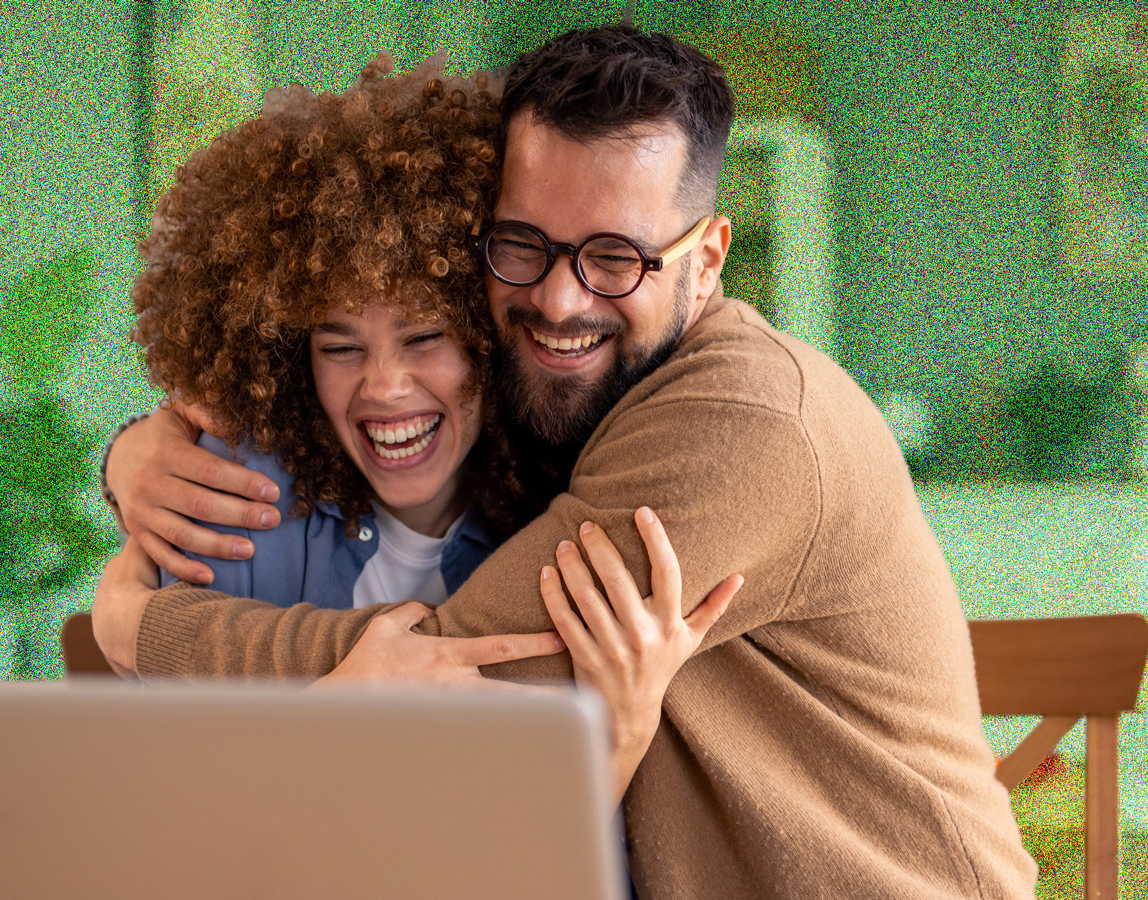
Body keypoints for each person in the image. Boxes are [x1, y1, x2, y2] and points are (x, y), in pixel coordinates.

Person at [96, 26, 1037, 900]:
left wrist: (139, 626)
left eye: (615, 257)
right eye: (522, 245)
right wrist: (134, 451)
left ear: (707, 260)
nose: (558, 299)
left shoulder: (745, 421)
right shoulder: (556, 397)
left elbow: (458, 676)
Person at [110, 52, 741, 806]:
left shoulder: (562, 531)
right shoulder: (245, 507)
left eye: (424, 339)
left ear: (488, 332)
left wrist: (625, 733)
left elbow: (531, 854)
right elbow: (164, 812)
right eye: (338, 345)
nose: (383, 386)